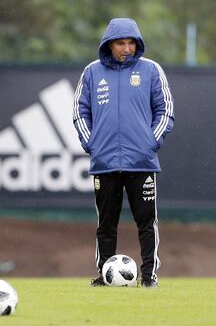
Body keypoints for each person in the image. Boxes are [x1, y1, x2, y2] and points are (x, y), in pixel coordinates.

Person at [72, 18, 174, 287]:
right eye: (120, 43)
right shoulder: (92, 73)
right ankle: (105, 275)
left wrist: (150, 142)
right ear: (109, 45)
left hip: (142, 162)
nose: (126, 48)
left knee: (146, 222)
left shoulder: (151, 71)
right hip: (104, 163)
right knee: (106, 224)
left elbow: (165, 110)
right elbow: (80, 112)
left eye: (131, 43)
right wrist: (92, 144)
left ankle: (149, 276)